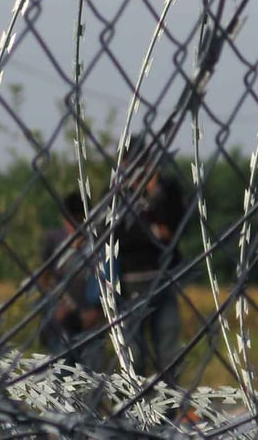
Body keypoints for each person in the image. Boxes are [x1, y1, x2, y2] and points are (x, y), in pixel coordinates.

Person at [115, 133, 187, 386]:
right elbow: (119, 237)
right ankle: (134, 402)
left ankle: (169, 402)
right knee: (134, 354)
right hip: (130, 282)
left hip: (163, 278)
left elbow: (178, 226)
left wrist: (154, 192)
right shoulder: (116, 196)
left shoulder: (167, 189)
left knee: (168, 349)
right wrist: (155, 232)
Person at [37, 191, 110, 370]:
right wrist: (53, 304)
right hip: (62, 318)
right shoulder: (55, 240)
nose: (75, 227)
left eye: (79, 221)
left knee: (91, 375)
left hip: (91, 320)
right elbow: (44, 277)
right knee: (60, 372)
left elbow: (109, 279)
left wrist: (98, 312)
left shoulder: (99, 242)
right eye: (70, 221)